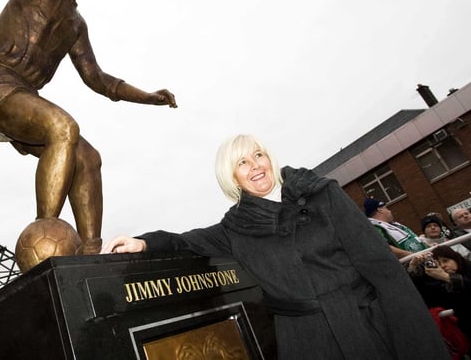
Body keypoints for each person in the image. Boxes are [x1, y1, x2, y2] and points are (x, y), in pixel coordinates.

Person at [102, 134, 449, 360]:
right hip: (305, 341)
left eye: (258, 155)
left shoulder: (322, 193)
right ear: (231, 177)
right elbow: (185, 240)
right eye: (242, 162)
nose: (255, 166)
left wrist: (419, 345)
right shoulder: (234, 228)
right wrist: (144, 242)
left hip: (367, 325)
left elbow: (382, 269)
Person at [0, 0, 177, 255]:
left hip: (23, 97)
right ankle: (45, 232)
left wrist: (149, 96)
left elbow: (100, 80)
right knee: (63, 127)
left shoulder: (76, 26)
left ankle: (91, 253)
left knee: (87, 157)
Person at [407, 246, 471, 358]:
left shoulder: (468, 267)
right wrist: (413, 270)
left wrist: (447, 277)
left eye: (446, 260)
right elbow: (418, 296)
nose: (442, 266)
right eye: (437, 263)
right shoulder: (436, 282)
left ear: (455, 258)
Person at [364, 198, 428, 258]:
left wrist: (428, 246)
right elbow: (383, 247)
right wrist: (412, 255)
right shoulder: (375, 228)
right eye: (386, 208)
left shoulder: (394, 225)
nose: (390, 211)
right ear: (380, 210)